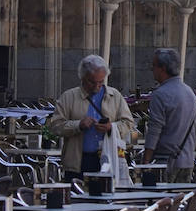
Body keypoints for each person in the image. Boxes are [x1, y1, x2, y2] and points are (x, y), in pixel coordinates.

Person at [48, 53, 136, 181]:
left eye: (101, 82)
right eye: (92, 82)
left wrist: (111, 127)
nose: (96, 86)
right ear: (82, 77)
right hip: (79, 162)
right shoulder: (68, 97)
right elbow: (55, 126)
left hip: (108, 158)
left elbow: (128, 123)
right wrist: (78, 125)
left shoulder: (114, 96)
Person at [142, 46, 196, 182]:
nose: (152, 69)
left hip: (165, 162)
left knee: (162, 202)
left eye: (154, 66)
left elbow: (154, 130)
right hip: (187, 160)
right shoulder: (189, 92)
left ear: (162, 68)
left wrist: (146, 161)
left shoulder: (160, 94)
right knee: (181, 202)